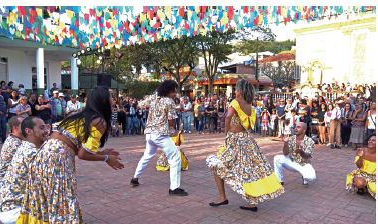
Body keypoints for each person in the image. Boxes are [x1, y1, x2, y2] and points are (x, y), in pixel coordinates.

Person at [13, 87, 123, 224]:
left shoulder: (81, 116)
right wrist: (106, 159)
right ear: (104, 101)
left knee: (52, 205)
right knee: (65, 208)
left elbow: (75, 145)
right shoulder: (99, 121)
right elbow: (82, 154)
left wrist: (102, 153)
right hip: (58, 161)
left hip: (44, 157)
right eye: (111, 97)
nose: (113, 100)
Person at [206, 79, 284, 211]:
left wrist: (225, 131)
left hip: (236, 140)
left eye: (236, 89)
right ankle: (252, 202)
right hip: (247, 140)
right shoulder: (249, 105)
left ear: (240, 90)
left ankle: (222, 197)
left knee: (216, 164)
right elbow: (251, 123)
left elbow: (227, 116)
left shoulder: (235, 102)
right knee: (249, 170)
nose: (235, 91)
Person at [130, 80, 188, 196]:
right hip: (160, 135)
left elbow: (138, 105)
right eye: (174, 91)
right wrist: (174, 129)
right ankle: (174, 188)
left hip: (149, 134)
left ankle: (135, 179)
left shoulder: (153, 97)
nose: (175, 94)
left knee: (147, 156)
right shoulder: (169, 101)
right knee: (175, 157)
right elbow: (171, 123)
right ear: (170, 90)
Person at [0, 117, 49, 224]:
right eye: (41, 128)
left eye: (46, 127)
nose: (46, 130)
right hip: (9, 204)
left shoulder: (23, 144)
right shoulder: (20, 146)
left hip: (6, 198)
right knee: (57, 206)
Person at [274, 122, 316, 187]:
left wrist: (301, 152)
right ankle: (279, 180)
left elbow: (306, 157)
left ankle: (305, 177)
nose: (295, 129)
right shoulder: (291, 139)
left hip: (304, 164)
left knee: (311, 177)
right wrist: (286, 143)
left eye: (298, 127)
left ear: (304, 130)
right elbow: (285, 153)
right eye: (295, 127)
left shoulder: (310, 141)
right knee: (277, 158)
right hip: (292, 162)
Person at [0, 116, 24, 186]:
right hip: (5, 178)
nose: (28, 126)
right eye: (24, 124)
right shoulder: (14, 143)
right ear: (16, 128)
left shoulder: (15, 138)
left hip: (9, 175)